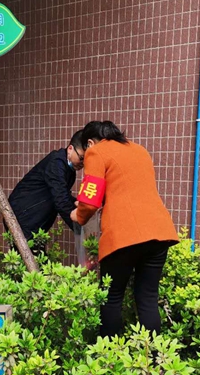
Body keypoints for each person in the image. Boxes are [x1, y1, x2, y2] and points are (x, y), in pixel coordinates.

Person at [70, 121, 178, 338]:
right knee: (147, 297)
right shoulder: (139, 150)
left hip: (124, 235)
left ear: (90, 142)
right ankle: (154, 360)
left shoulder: (97, 152)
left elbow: (90, 201)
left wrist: (78, 215)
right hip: (159, 231)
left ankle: (109, 357)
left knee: (111, 296)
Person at [8, 130, 85, 242]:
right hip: (23, 217)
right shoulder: (56, 163)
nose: (83, 163)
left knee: (35, 257)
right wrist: (80, 229)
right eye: (81, 158)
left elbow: (63, 196)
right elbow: (61, 201)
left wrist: (83, 207)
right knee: (29, 256)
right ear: (70, 149)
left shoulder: (68, 168)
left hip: (32, 218)